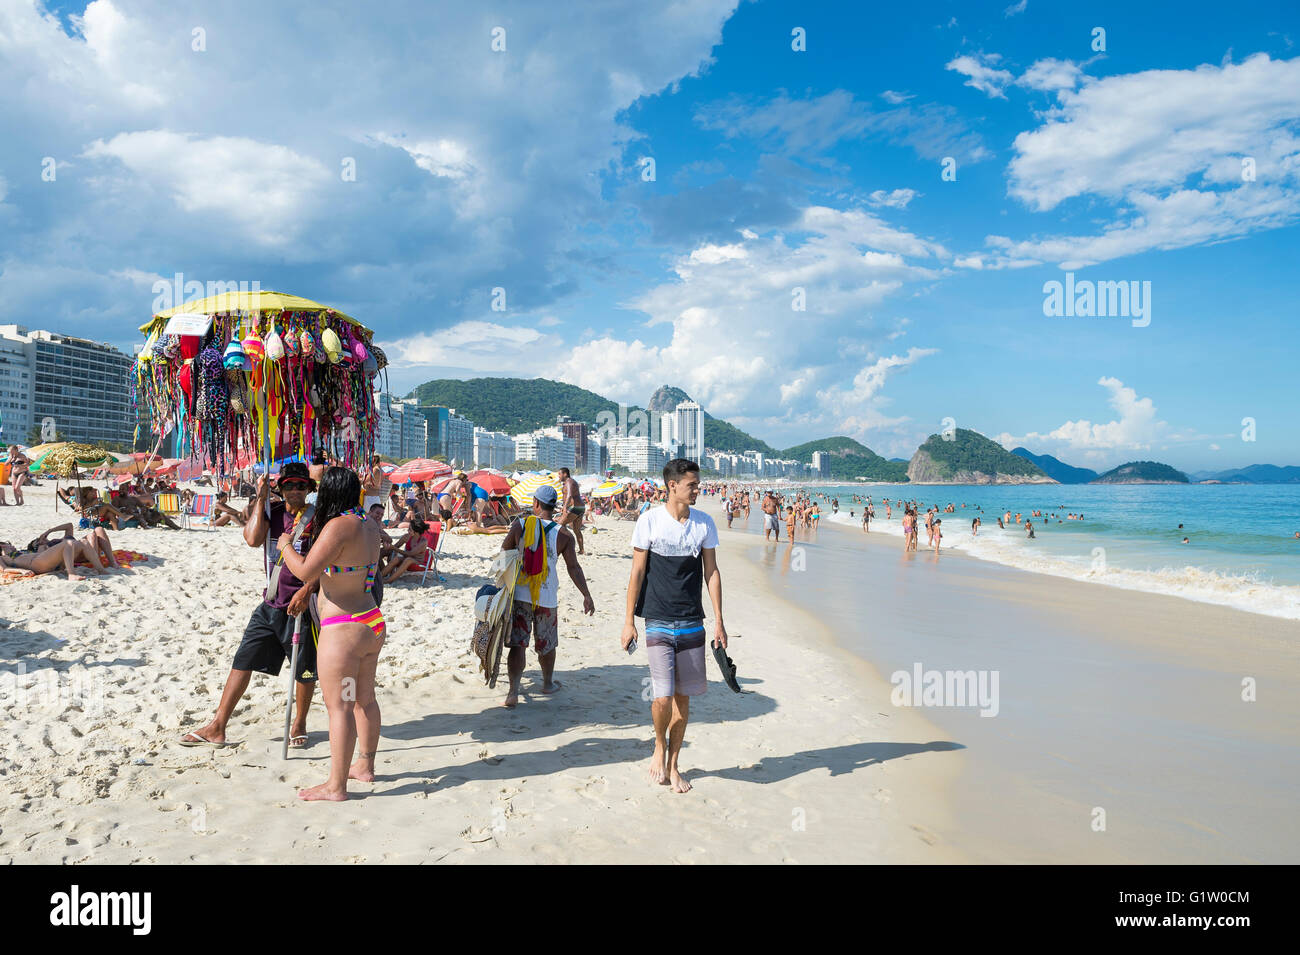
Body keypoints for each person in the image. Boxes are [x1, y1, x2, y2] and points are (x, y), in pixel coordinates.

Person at [179, 463, 319, 748]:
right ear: (280, 488)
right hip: (270, 602)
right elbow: (253, 539)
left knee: (304, 670)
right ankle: (218, 726)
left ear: (309, 489)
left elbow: (325, 562)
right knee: (243, 660)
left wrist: (307, 590)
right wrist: (261, 498)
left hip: (303, 605)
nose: (295, 490)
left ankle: (299, 721)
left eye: (301, 486)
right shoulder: (272, 512)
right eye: (289, 485)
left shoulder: (319, 519)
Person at [276, 467, 386, 800]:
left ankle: (336, 786)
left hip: (344, 631)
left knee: (340, 706)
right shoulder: (368, 523)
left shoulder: (339, 526)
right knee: (363, 699)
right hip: (371, 622)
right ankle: (364, 766)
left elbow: (306, 569)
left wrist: (285, 545)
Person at [620, 459, 725, 794]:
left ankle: (674, 764)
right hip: (658, 618)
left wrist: (720, 620)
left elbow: (711, 573)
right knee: (662, 696)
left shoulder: (704, 524)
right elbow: (637, 573)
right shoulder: (649, 521)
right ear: (673, 486)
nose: (698, 489)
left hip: (693, 621)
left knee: (683, 698)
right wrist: (628, 621)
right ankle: (659, 745)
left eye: (698, 484)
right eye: (692, 485)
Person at [499, 484, 595, 708]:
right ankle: (548, 683)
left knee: (517, 644)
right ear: (554, 507)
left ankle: (513, 691)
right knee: (547, 643)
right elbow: (574, 568)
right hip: (547, 598)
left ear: (535, 503)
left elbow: (503, 555)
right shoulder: (564, 534)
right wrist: (586, 595)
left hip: (520, 595)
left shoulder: (520, 526)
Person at [557, 467, 586, 555]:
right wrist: (564, 506)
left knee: (559, 525)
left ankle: (565, 546)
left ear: (565, 474)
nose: (558, 476)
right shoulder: (569, 482)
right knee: (576, 530)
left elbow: (569, 495)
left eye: (559, 474)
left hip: (574, 507)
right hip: (580, 507)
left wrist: (565, 508)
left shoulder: (569, 481)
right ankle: (581, 550)